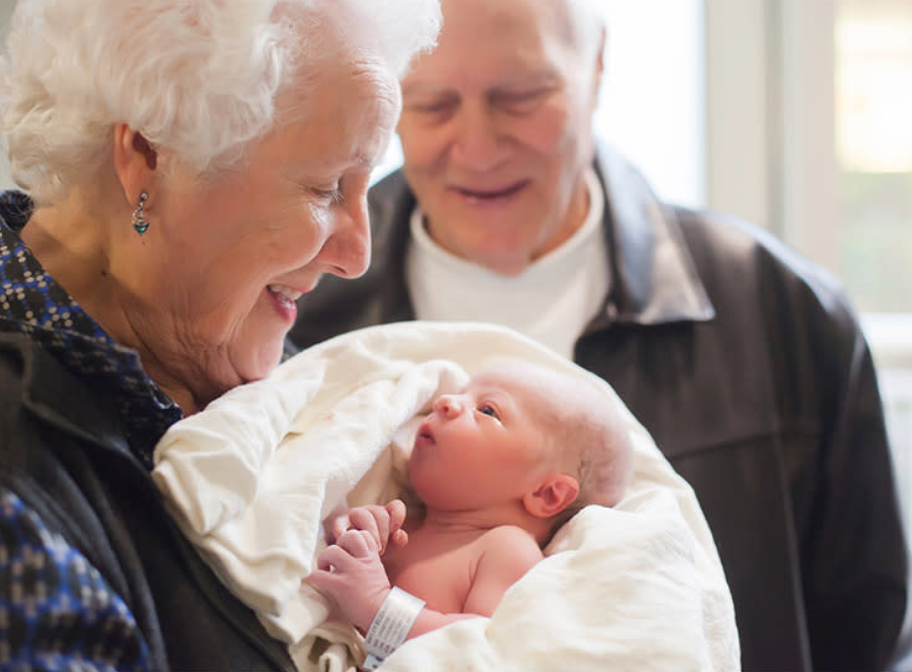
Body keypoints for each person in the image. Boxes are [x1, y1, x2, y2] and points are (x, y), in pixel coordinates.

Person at [287, 0, 912, 669]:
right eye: (433, 104)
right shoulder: (301, 309)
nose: (477, 146)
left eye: (522, 96)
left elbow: (869, 644)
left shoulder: (781, 311)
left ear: (597, 64)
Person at [0, 0, 441, 669]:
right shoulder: (20, 500)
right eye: (325, 189)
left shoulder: (247, 348)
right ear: (147, 157)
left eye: (367, 184)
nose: (360, 255)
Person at [307, 360, 633, 641]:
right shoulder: (406, 524)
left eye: (487, 409)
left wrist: (377, 605)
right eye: (462, 392)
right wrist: (350, 534)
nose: (445, 401)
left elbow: (477, 644)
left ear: (545, 494)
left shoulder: (506, 549)